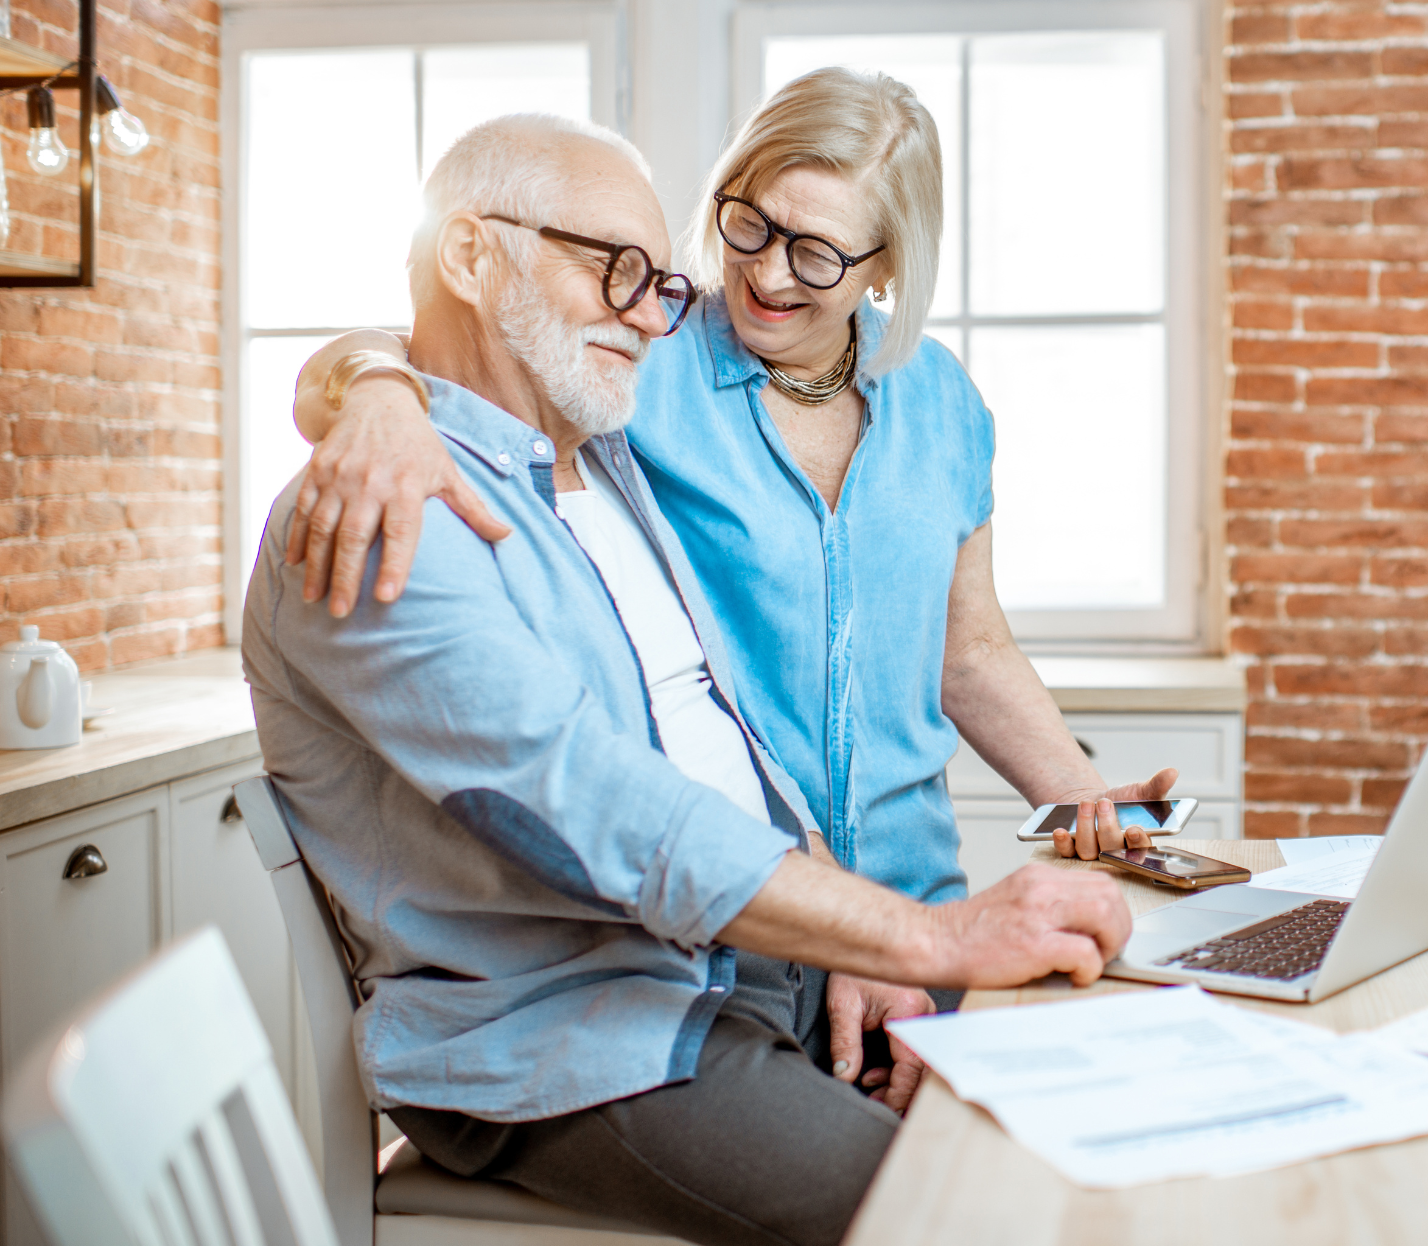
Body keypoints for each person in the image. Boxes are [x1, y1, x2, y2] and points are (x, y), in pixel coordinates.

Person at [244, 112, 1131, 1246]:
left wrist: (856, 941)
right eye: (611, 267)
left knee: (1080, 1116)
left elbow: (720, 738)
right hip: (583, 1032)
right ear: (471, 255)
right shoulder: (391, 508)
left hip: (748, 965)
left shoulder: (600, 460)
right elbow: (591, 800)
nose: (650, 310)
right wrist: (917, 939)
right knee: (966, 1211)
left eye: (655, 279)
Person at [287, 67, 1172, 920]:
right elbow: (443, 337)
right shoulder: (642, 351)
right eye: (753, 224)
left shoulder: (942, 402)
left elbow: (970, 650)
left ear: (888, 267)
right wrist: (376, 392)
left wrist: (1084, 798)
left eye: (818, 255)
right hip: (734, 912)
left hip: (918, 901)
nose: (770, 273)